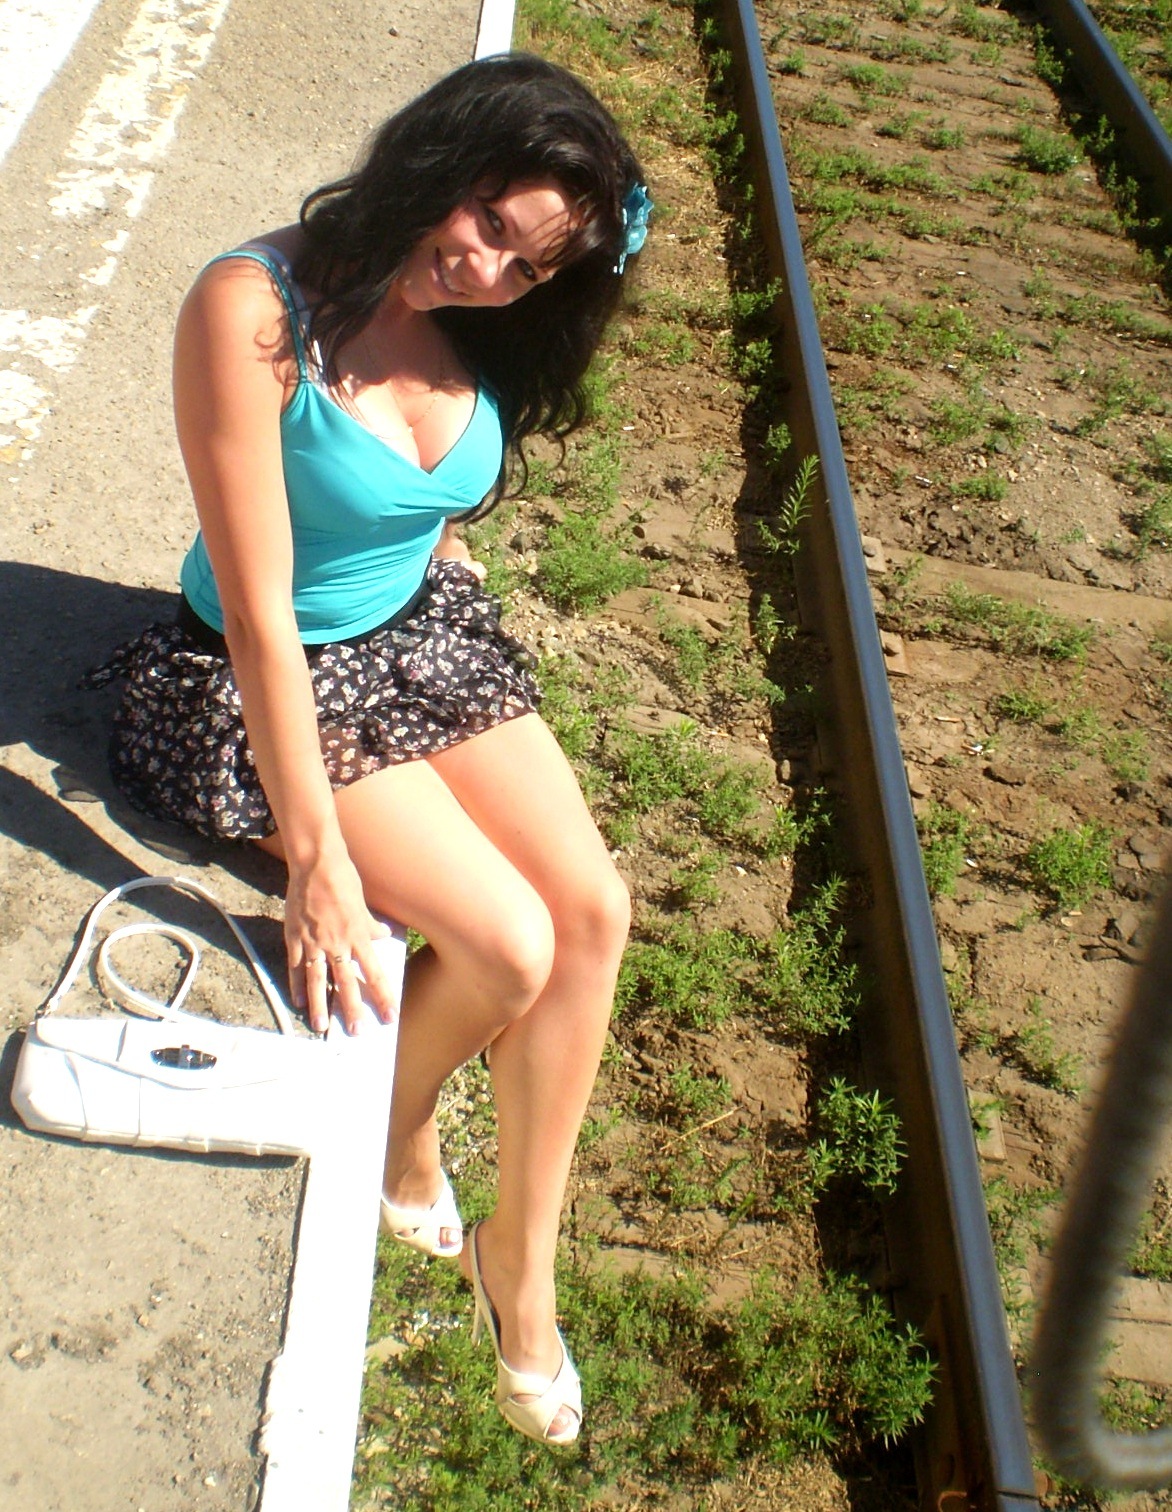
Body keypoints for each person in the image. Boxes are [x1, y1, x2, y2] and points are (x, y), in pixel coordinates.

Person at [88, 53, 649, 1447]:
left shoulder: (485, 315)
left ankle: (521, 1263)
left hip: (420, 637)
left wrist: (443, 577)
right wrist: (319, 861)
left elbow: (425, 490)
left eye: (527, 265)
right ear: (437, 158)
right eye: (485, 220)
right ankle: (400, 1128)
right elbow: (263, 617)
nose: (486, 270)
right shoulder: (251, 309)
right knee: (507, 946)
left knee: (594, 912)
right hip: (255, 674)